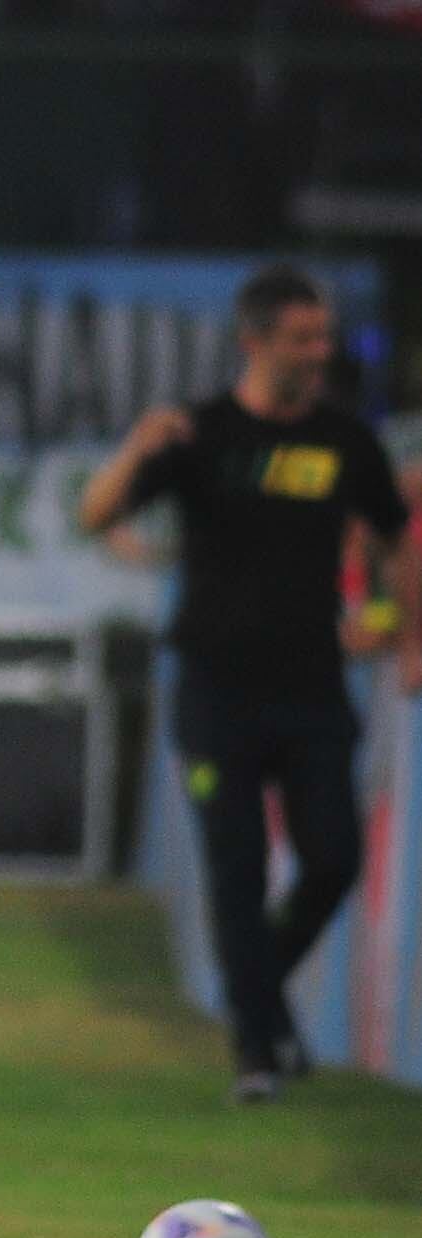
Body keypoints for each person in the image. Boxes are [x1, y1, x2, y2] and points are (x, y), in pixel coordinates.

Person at [80, 263, 421, 1104]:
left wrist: (407, 631)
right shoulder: (200, 436)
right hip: (214, 693)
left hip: (311, 690)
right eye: (303, 337)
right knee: (235, 871)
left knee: (335, 859)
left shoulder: (346, 442)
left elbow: (392, 538)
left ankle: (261, 1006)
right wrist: (134, 449)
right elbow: (97, 517)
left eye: (324, 335)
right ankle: (257, 1052)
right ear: (255, 341)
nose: (321, 350)